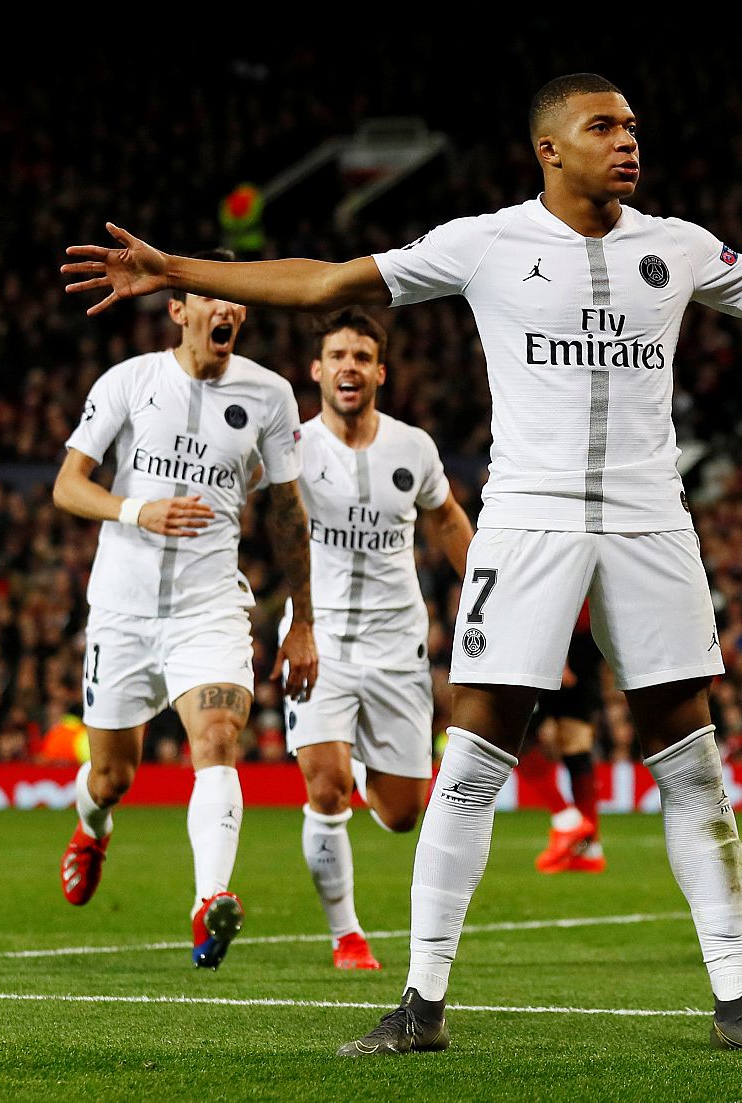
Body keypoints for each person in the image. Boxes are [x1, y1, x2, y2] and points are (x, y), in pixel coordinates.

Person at [61, 72, 742, 1054]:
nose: (627, 140)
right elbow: (324, 280)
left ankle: (737, 997)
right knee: (476, 752)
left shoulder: (678, 244)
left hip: (650, 519)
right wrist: (171, 265)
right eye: (602, 125)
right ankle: (420, 1001)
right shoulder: (485, 240)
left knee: (690, 754)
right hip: (528, 521)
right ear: (550, 147)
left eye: (631, 125)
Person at [54, 248, 317, 969]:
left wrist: (304, 620)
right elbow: (68, 486)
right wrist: (138, 509)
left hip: (209, 607)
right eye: (210, 297)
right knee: (113, 775)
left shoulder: (269, 394)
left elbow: (288, 514)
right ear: (179, 308)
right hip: (121, 606)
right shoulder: (130, 381)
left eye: (235, 300)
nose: (228, 309)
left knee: (219, 735)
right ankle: (92, 825)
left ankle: (210, 903)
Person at [287, 308, 474, 969]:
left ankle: (363, 759)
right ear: (317, 370)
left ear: (379, 372)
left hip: (398, 644)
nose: (349, 366)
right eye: (337, 355)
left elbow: (447, 520)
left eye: (361, 357)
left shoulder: (413, 447)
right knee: (326, 785)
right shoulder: (292, 447)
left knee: (399, 814)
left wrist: (489, 596)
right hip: (321, 638)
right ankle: (347, 936)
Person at [518, 607, 606, 874]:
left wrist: (561, 657)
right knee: (575, 750)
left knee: (520, 740)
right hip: (578, 645)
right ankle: (589, 848)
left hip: (556, 647)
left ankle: (570, 824)